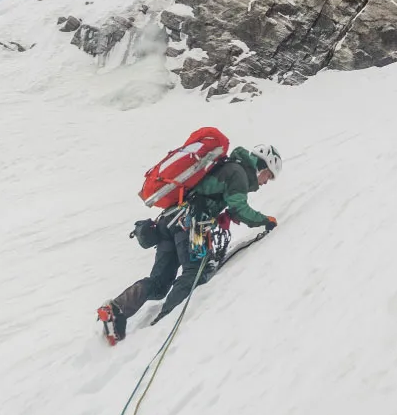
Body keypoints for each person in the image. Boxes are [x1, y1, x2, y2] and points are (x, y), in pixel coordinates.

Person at [98, 144, 281, 342]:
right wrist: (265, 221)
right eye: (268, 175)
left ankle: (116, 309)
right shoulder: (239, 173)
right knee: (194, 273)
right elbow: (239, 207)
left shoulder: (229, 167)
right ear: (261, 166)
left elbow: (212, 196)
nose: (266, 182)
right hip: (190, 224)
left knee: (159, 283)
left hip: (168, 222)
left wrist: (221, 216)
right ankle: (164, 322)